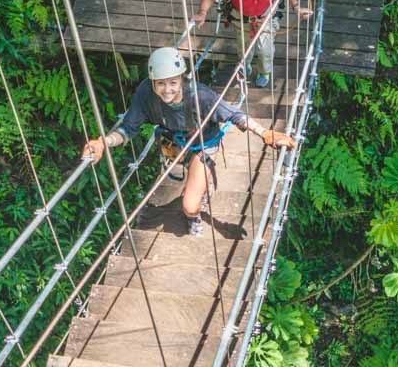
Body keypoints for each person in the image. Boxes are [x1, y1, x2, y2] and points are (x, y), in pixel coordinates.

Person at [82, 46, 297, 237]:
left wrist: (265, 133)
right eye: (161, 84)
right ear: (152, 83)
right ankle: (198, 186)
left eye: (173, 83)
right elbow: (127, 128)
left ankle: (193, 214)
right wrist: (103, 142)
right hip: (174, 143)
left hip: (202, 145)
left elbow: (234, 115)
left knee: (190, 206)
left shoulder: (200, 96)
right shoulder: (145, 94)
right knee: (189, 183)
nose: (167, 90)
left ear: (182, 79)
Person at [191, 0, 312, 89]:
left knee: (265, 50)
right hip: (242, 19)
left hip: (265, 18)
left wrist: (296, 7)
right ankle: (245, 64)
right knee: (244, 47)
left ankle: (264, 72)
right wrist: (202, 13)